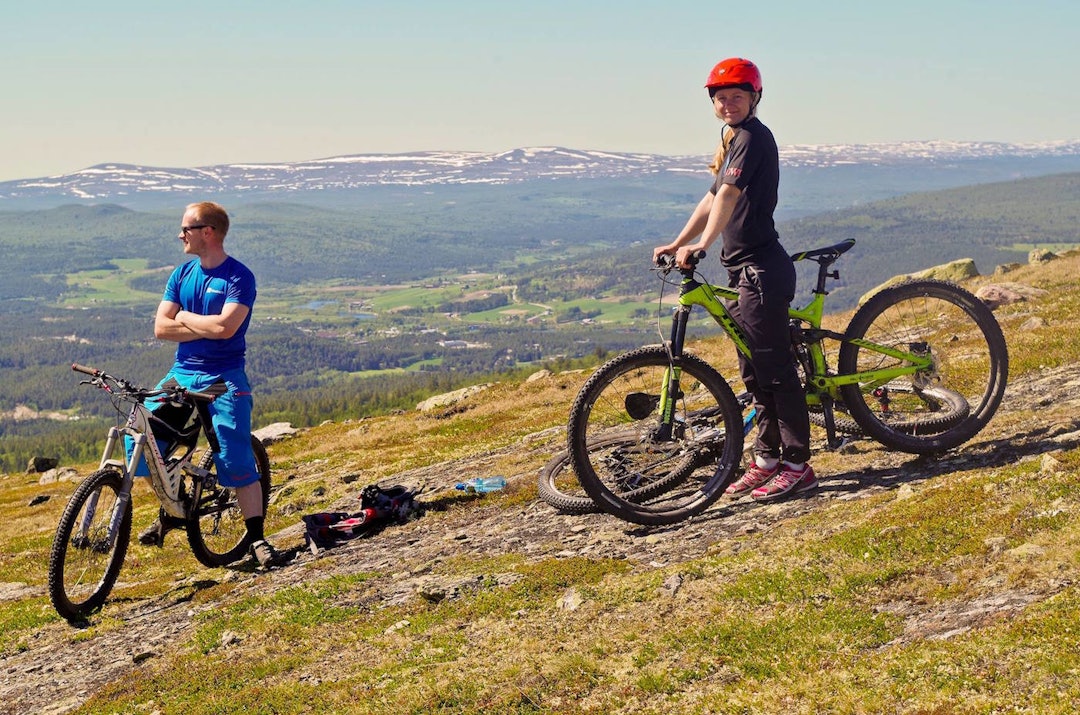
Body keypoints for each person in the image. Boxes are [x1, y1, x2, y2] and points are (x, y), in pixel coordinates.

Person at [653, 57, 816, 502]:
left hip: (763, 270)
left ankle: (798, 465)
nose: (728, 104)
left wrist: (702, 245)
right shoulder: (732, 138)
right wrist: (678, 241)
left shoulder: (753, 138)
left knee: (776, 370)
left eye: (736, 97)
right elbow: (711, 198)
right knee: (753, 371)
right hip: (742, 269)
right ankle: (766, 459)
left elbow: (729, 195)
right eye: (721, 98)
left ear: (754, 98)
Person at [137, 201, 280, 567]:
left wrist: (184, 317)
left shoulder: (239, 277)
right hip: (181, 372)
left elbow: (225, 329)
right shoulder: (182, 274)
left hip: (224, 375)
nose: (180, 235)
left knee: (235, 454)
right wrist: (201, 322)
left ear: (208, 232)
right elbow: (160, 328)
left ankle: (257, 538)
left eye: (186, 229)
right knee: (141, 443)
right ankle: (174, 507)